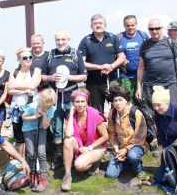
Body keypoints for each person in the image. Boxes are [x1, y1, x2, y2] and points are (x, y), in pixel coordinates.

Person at [40, 30, 87, 170]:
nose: (60, 42)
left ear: (68, 39)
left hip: (71, 97)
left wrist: (69, 77)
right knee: (56, 128)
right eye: (58, 40)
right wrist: (50, 78)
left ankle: (74, 155)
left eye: (63, 39)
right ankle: (58, 156)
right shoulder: (50, 55)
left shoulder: (75, 54)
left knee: (72, 128)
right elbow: (41, 75)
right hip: (54, 98)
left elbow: (84, 76)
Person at [135, 18, 177, 114]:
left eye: (157, 28)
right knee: (152, 115)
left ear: (162, 28)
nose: (154, 31)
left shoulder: (171, 43)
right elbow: (141, 67)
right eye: (151, 29)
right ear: (148, 30)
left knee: (172, 113)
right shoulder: (145, 45)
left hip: (170, 84)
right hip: (150, 85)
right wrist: (139, 88)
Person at [61, 89, 108, 191]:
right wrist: (71, 114)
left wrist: (89, 148)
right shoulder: (72, 115)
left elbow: (105, 137)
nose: (80, 105)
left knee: (79, 166)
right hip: (82, 145)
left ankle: (95, 162)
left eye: (83, 101)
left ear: (87, 102)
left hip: (96, 145)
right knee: (67, 141)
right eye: (77, 102)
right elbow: (68, 134)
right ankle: (67, 175)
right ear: (73, 103)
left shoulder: (95, 115)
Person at [78, 13, 126, 113]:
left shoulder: (112, 37)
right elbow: (81, 63)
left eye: (101, 23)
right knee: (95, 112)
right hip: (93, 82)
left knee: (117, 110)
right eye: (95, 23)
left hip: (112, 81)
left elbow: (122, 57)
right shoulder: (86, 40)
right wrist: (100, 67)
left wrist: (110, 67)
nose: (98, 25)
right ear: (91, 26)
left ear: (105, 25)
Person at [7, 47, 41, 157]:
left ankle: (34, 159)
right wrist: (26, 90)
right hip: (17, 108)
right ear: (19, 60)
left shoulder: (36, 71)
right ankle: (22, 159)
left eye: (30, 57)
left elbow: (33, 85)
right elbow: (10, 91)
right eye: (24, 57)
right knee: (19, 136)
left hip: (31, 107)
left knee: (32, 133)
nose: (28, 59)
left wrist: (15, 86)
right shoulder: (14, 72)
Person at [105, 92, 148, 179]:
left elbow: (140, 136)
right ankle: (126, 162)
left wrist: (126, 149)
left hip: (137, 145)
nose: (118, 103)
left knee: (133, 156)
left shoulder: (136, 113)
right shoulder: (112, 114)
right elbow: (112, 134)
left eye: (121, 100)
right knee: (110, 174)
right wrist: (116, 149)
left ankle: (138, 168)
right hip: (121, 147)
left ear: (127, 102)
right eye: (115, 101)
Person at [22, 88, 57, 192]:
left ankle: (43, 177)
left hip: (41, 129)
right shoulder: (32, 106)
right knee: (31, 153)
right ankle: (32, 174)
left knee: (41, 153)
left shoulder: (51, 109)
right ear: (40, 101)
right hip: (28, 129)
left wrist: (44, 114)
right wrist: (35, 116)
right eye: (44, 106)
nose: (46, 108)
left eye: (48, 107)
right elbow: (23, 117)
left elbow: (46, 126)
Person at [116, 15, 149, 103]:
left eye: (132, 25)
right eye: (128, 25)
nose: (130, 27)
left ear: (136, 25)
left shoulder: (143, 36)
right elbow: (112, 53)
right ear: (124, 26)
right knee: (125, 102)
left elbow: (151, 50)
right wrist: (119, 59)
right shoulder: (118, 37)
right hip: (125, 76)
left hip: (143, 76)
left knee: (142, 103)